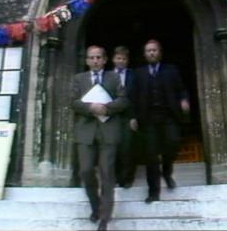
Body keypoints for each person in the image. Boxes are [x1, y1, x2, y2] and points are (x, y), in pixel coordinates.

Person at [71, 45, 129, 231]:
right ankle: (95, 207)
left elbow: (124, 100)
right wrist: (90, 108)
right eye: (91, 57)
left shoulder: (114, 77)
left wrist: (107, 108)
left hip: (108, 131)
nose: (95, 60)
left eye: (98, 57)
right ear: (87, 60)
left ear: (105, 60)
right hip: (85, 132)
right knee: (86, 171)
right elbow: (73, 102)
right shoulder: (78, 79)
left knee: (107, 172)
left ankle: (104, 217)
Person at [130, 39, 190, 204]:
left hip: (169, 115)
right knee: (151, 156)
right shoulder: (139, 73)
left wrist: (184, 100)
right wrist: (133, 117)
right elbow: (133, 97)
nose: (151, 53)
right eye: (148, 50)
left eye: (154, 50)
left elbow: (182, 89)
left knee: (172, 144)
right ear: (144, 54)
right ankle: (153, 192)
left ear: (160, 52)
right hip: (148, 118)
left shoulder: (172, 70)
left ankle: (167, 170)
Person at [112, 46, 137, 189]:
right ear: (113, 59)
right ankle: (115, 177)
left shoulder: (134, 75)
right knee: (113, 148)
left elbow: (137, 97)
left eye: (124, 59)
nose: (121, 61)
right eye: (118, 58)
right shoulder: (107, 75)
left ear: (127, 61)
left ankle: (127, 178)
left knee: (127, 148)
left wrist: (134, 117)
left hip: (128, 117)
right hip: (111, 118)